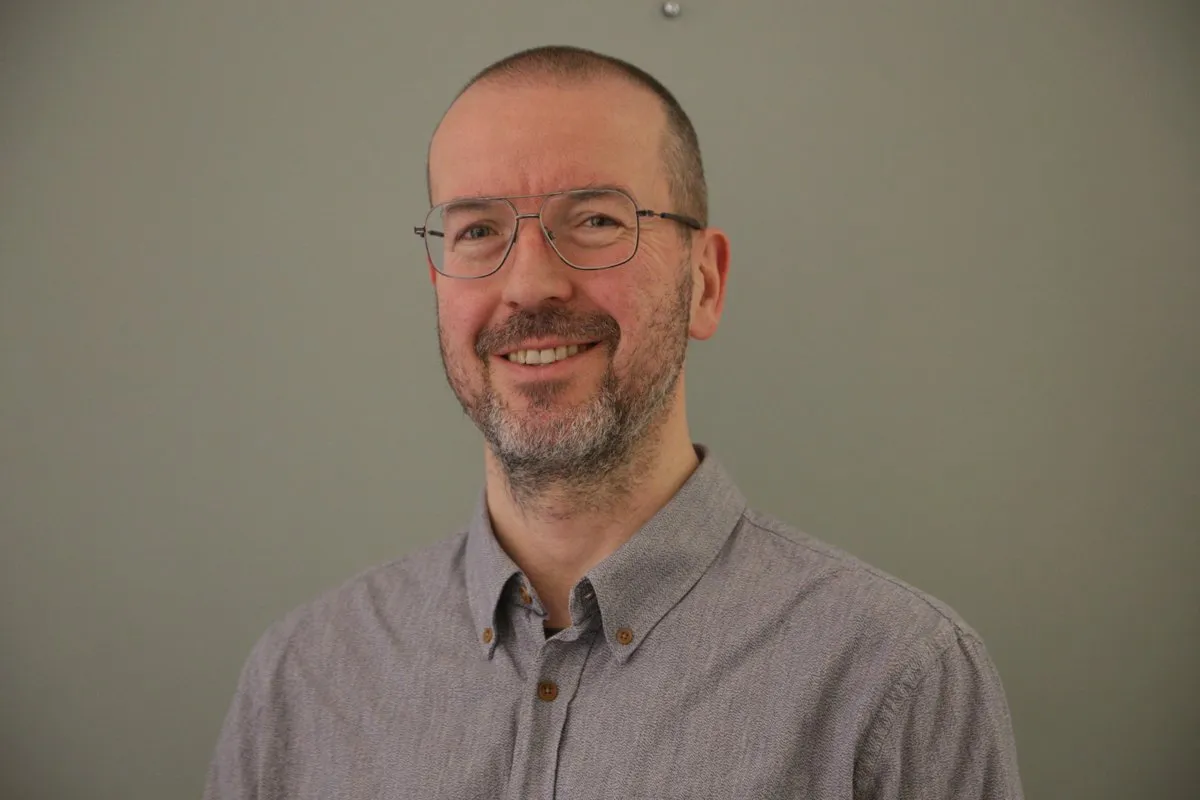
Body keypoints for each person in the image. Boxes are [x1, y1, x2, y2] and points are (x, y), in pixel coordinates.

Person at [203, 45, 1023, 799]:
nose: (529, 285)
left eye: (596, 220)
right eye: (478, 230)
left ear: (705, 283)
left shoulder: (893, 679)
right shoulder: (301, 682)